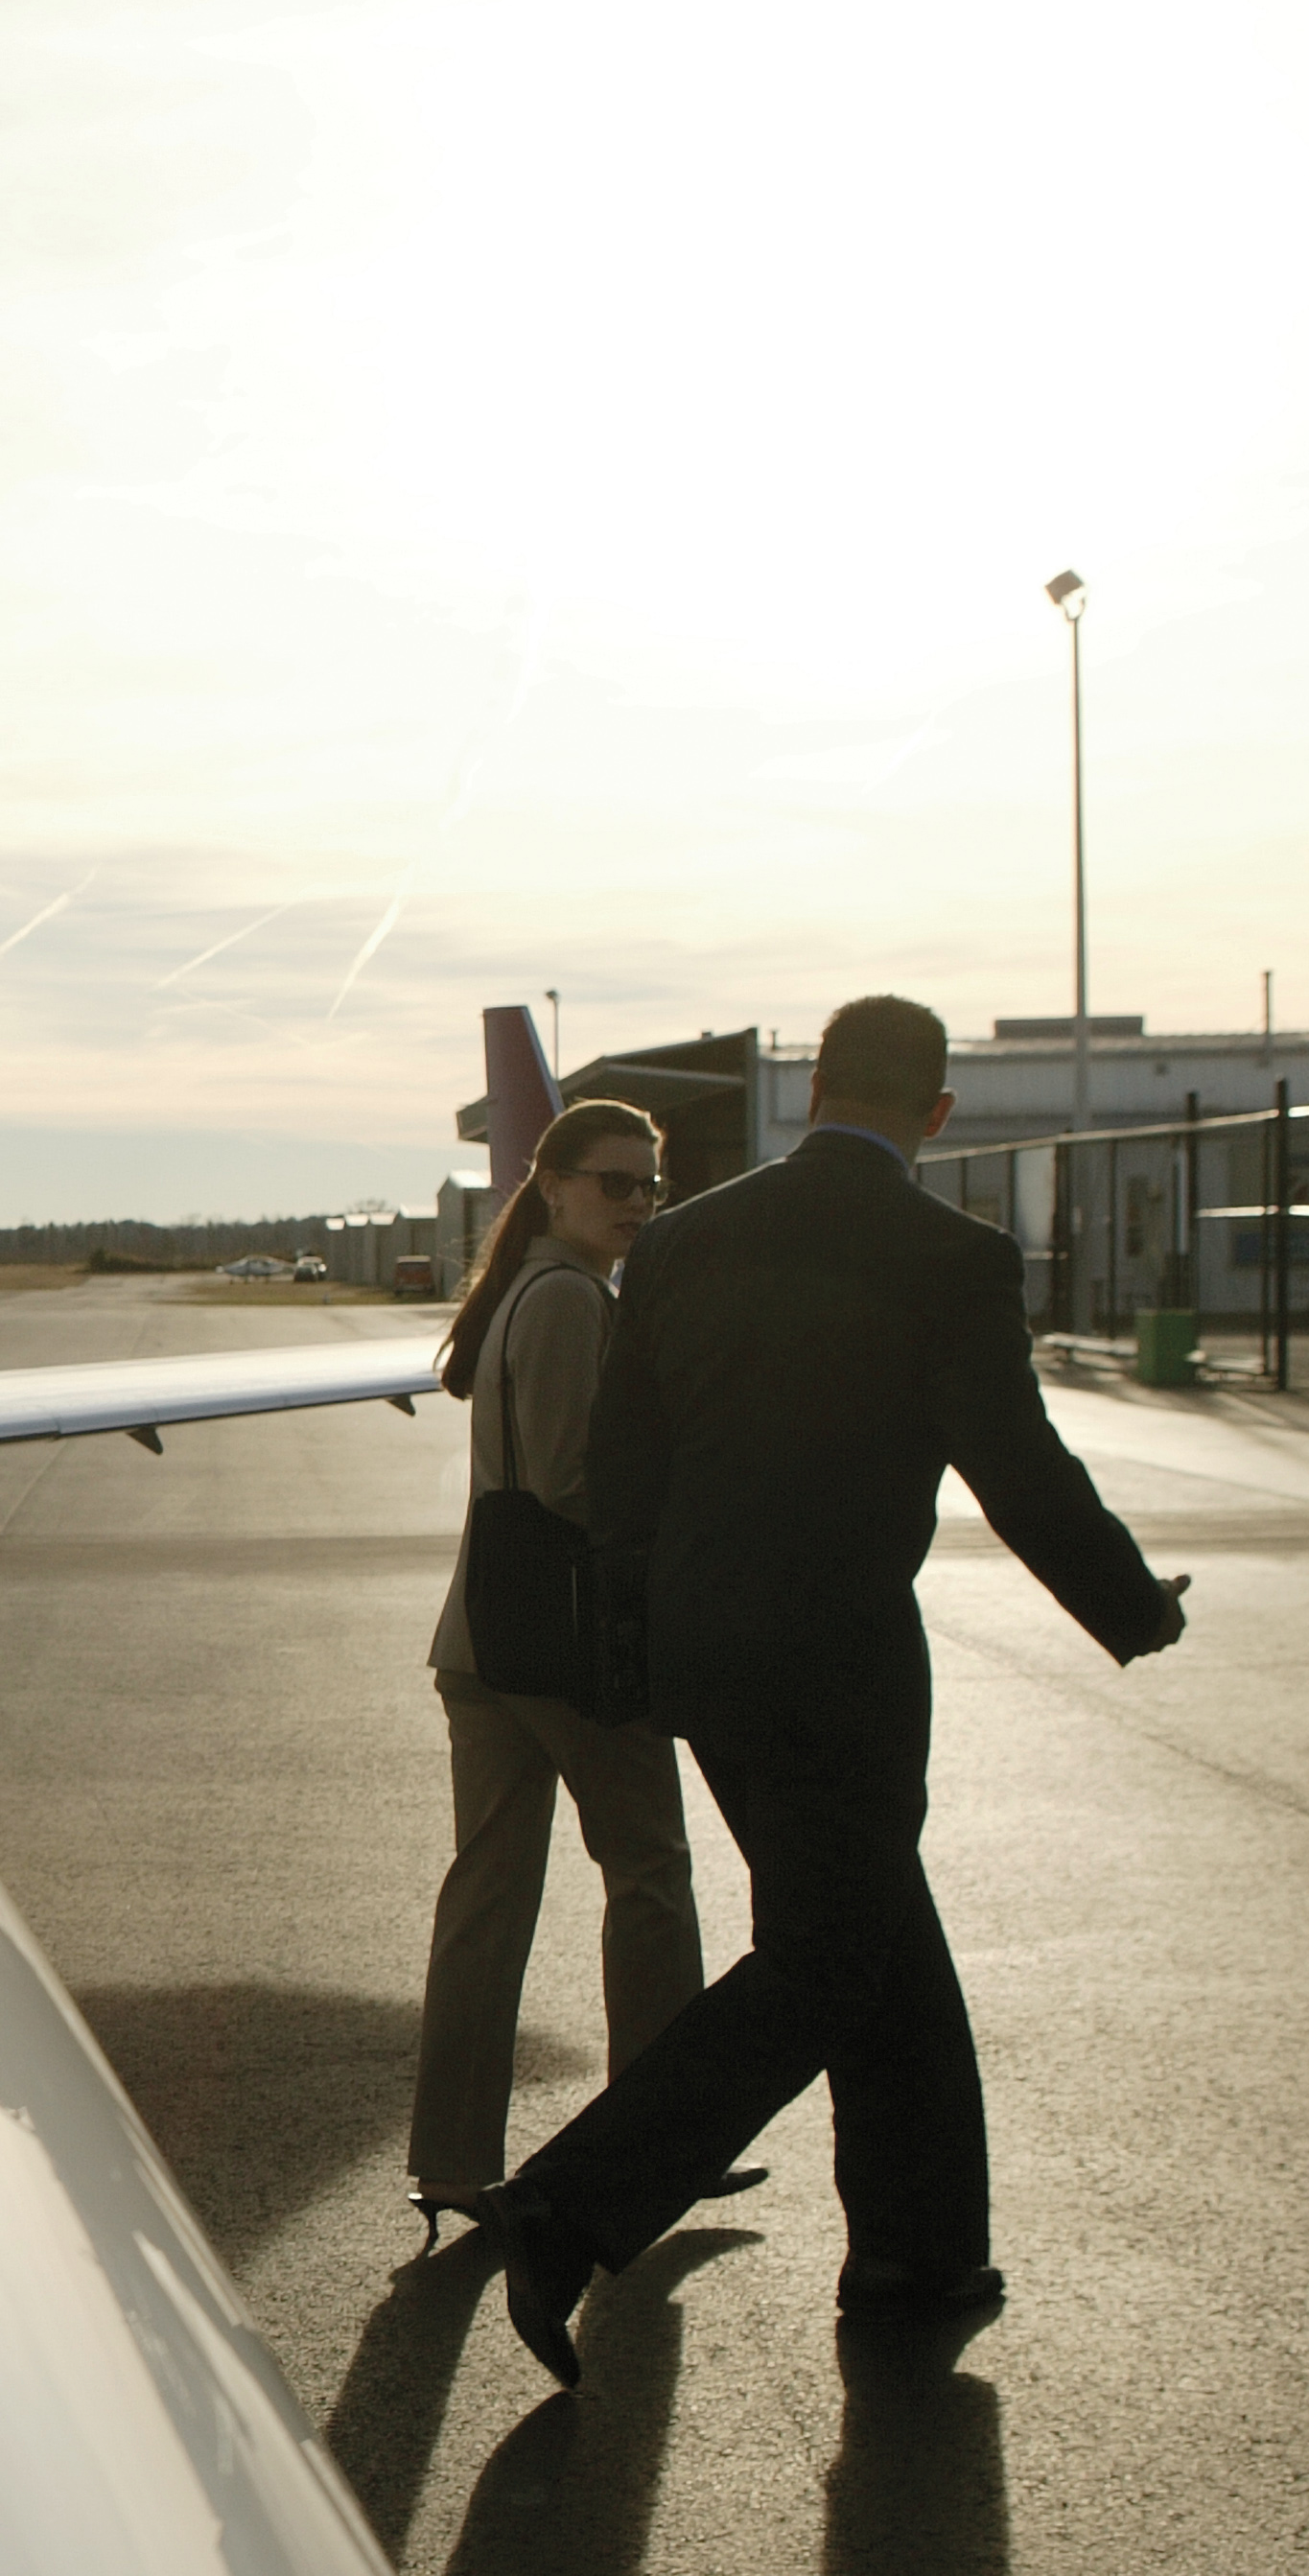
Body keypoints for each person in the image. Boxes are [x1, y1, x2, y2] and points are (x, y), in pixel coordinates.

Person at [493, 995, 1191, 2385]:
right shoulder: (947, 1257)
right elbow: (1015, 1461)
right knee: (832, 1958)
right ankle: (566, 2208)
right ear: (934, 1114)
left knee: (877, 1945)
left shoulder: (683, 1241)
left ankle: (915, 2261)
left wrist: (653, 1630)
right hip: (841, 1664)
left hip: (706, 1661)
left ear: (813, 1088)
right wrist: (1128, 1604)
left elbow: (623, 1470)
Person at [403, 1097, 706, 2242]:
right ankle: (659, 2146)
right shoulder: (574, 1299)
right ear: (556, 1183)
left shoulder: (519, 1289)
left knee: (487, 1894)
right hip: (566, 1650)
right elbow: (578, 1485)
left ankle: (453, 2159)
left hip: (482, 1639)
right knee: (650, 1873)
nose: (634, 1204)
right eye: (614, 1183)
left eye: (649, 1187)